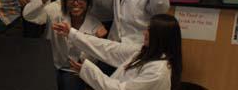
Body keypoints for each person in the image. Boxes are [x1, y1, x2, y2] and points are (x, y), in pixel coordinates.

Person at [53, 14, 182, 90]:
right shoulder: (143, 51)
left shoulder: (158, 71)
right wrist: (72, 33)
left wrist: (87, 70)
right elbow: (108, 48)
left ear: (161, 37)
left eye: (149, 30)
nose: (145, 33)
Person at [24, 0, 107, 90]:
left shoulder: (95, 25)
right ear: (65, 0)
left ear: (88, 2)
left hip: (72, 70)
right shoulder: (55, 11)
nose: (76, 3)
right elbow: (28, 15)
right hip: (50, 64)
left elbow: (87, 62)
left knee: (71, 84)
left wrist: (96, 40)